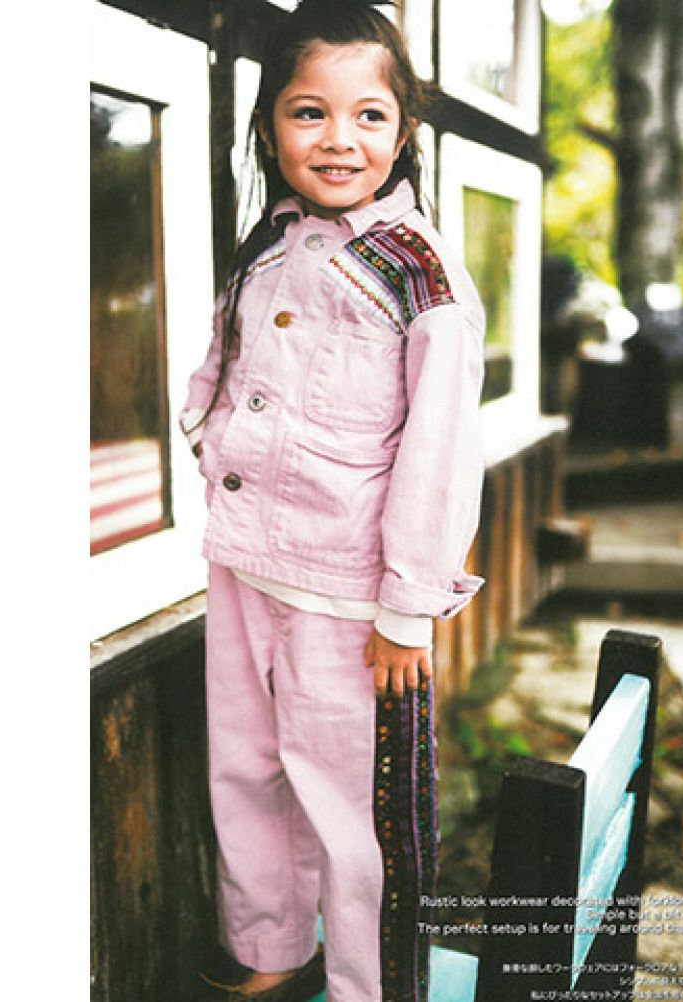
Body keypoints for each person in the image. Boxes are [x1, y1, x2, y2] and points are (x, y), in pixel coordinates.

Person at [179, 2, 485, 999]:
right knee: (248, 768)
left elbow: (440, 452)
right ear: (270, 124)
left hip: (350, 601)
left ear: (404, 131)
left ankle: (371, 986)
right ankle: (273, 948)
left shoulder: (419, 275)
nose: (339, 139)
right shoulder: (267, 249)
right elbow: (219, 371)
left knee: (356, 812)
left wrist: (409, 610)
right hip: (244, 565)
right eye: (310, 112)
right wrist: (209, 441)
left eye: (370, 116)